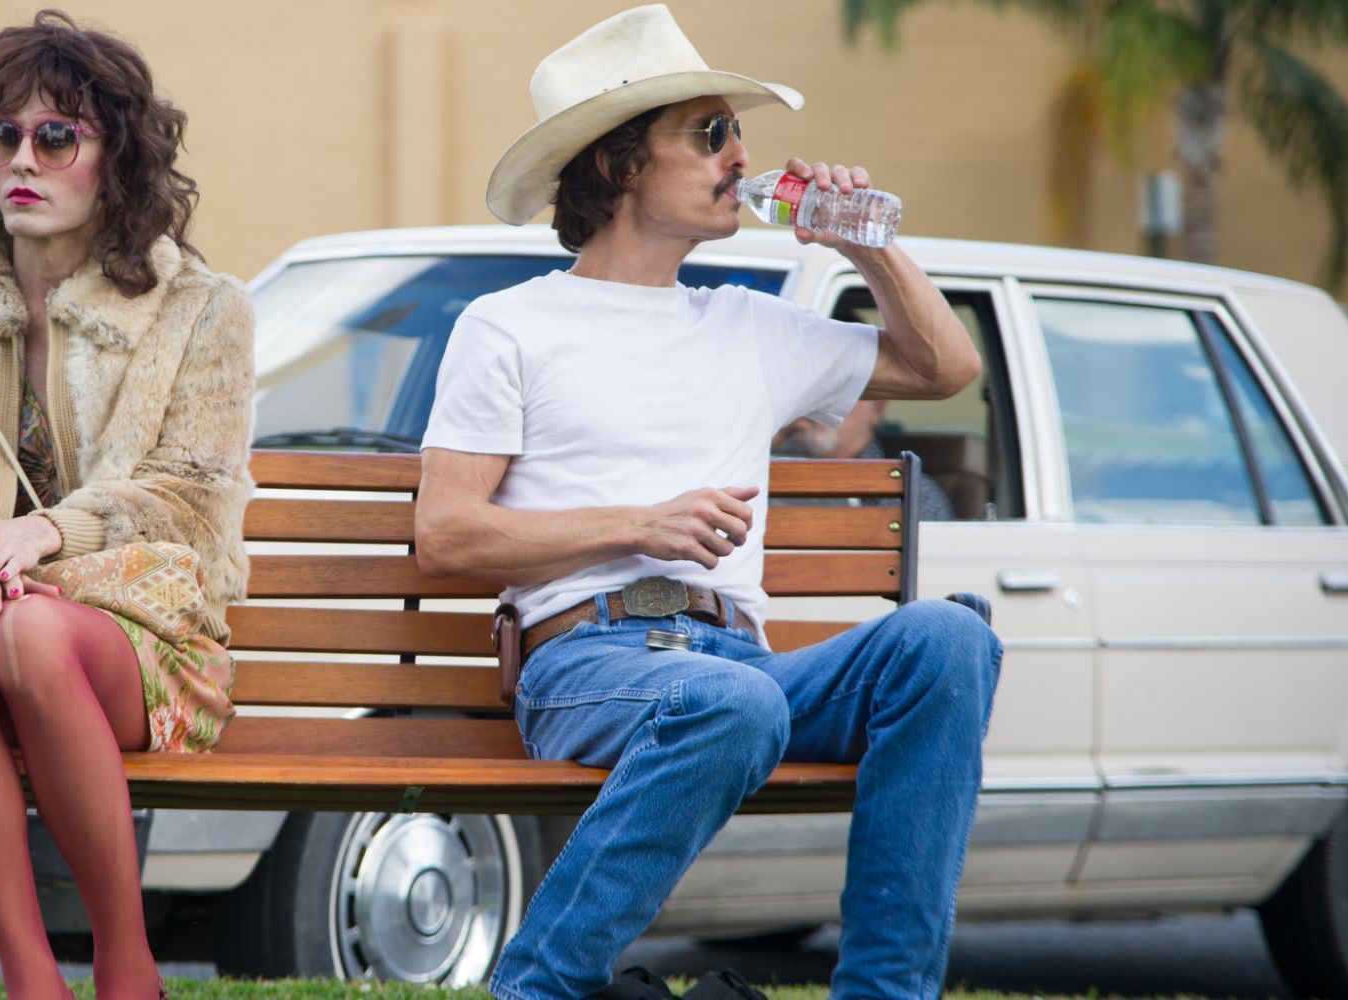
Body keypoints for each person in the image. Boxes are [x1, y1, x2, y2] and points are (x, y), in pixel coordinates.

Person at [412, 6, 1003, 999]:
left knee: (945, 643)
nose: (739, 155)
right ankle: (536, 986)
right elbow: (445, 533)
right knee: (731, 702)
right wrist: (639, 525)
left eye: (737, 131)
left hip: (742, 666)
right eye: (708, 132)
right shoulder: (509, 326)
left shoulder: (746, 326)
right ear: (619, 165)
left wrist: (862, 241)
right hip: (587, 661)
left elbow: (943, 366)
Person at [0, 11, 254, 999]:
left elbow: (190, 497)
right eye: (0, 137)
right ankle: (31, 977)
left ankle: (125, 962)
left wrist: (39, 534)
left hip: (145, 635)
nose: (21, 159)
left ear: (115, 158)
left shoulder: (197, 311)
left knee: (24, 631)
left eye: (55, 136)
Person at [773, 399, 958, 520]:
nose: (808, 407)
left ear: (877, 407)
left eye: (834, 392)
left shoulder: (909, 496)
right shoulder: (755, 476)